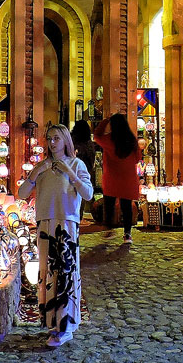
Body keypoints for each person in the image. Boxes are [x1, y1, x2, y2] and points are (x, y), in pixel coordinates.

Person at [18, 124, 94, 347]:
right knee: (49, 274)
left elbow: (88, 193)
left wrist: (70, 174)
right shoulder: (42, 167)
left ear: (66, 141)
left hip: (66, 224)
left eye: (57, 139)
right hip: (45, 225)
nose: (52, 143)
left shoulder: (76, 164)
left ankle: (66, 326)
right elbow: (22, 194)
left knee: (66, 274)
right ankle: (53, 322)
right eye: (49, 139)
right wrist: (35, 173)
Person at [93, 113, 142, 242]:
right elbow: (138, 158)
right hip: (128, 178)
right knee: (127, 207)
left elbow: (97, 135)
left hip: (112, 178)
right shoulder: (131, 141)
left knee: (109, 205)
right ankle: (127, 234)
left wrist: (105, 120)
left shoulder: (109, 140)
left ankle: (109, 230)